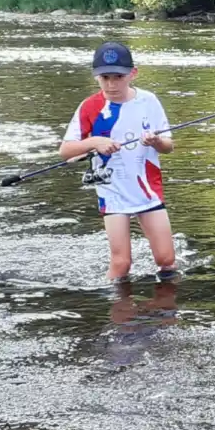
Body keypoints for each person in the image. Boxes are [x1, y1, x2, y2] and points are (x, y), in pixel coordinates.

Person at [59, 40, 178, 283]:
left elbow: (168, 146)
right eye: (105, 78)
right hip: (111, 190)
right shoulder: (89, 107)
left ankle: (164, 314)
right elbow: (66, 151)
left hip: (147, 189)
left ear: (133, 73)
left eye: (118, 77)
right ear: (96, 77)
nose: (111, 84)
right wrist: (94, 142)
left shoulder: (149, 101)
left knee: (166, 260)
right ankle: (114, 313)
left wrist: (155, 141)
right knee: (121, 263)